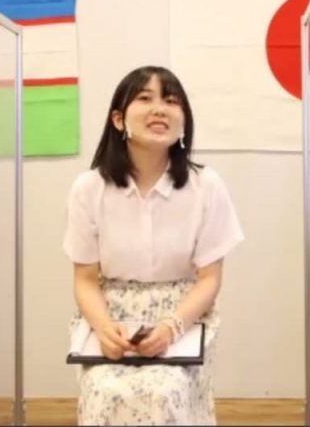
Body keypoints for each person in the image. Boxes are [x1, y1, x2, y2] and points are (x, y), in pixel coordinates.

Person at [63, 65, 244, 425]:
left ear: (183, 121)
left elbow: (209, 278)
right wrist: (104, 329)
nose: (160, 109)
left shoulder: (207, 187)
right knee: (104, 391)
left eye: (171, 101)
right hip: (110, 316)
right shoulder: (88, 189)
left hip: (182, 318)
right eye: (145, 98)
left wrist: (171, 326)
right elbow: (85, 279)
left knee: (165, 393)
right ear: (118, 119)